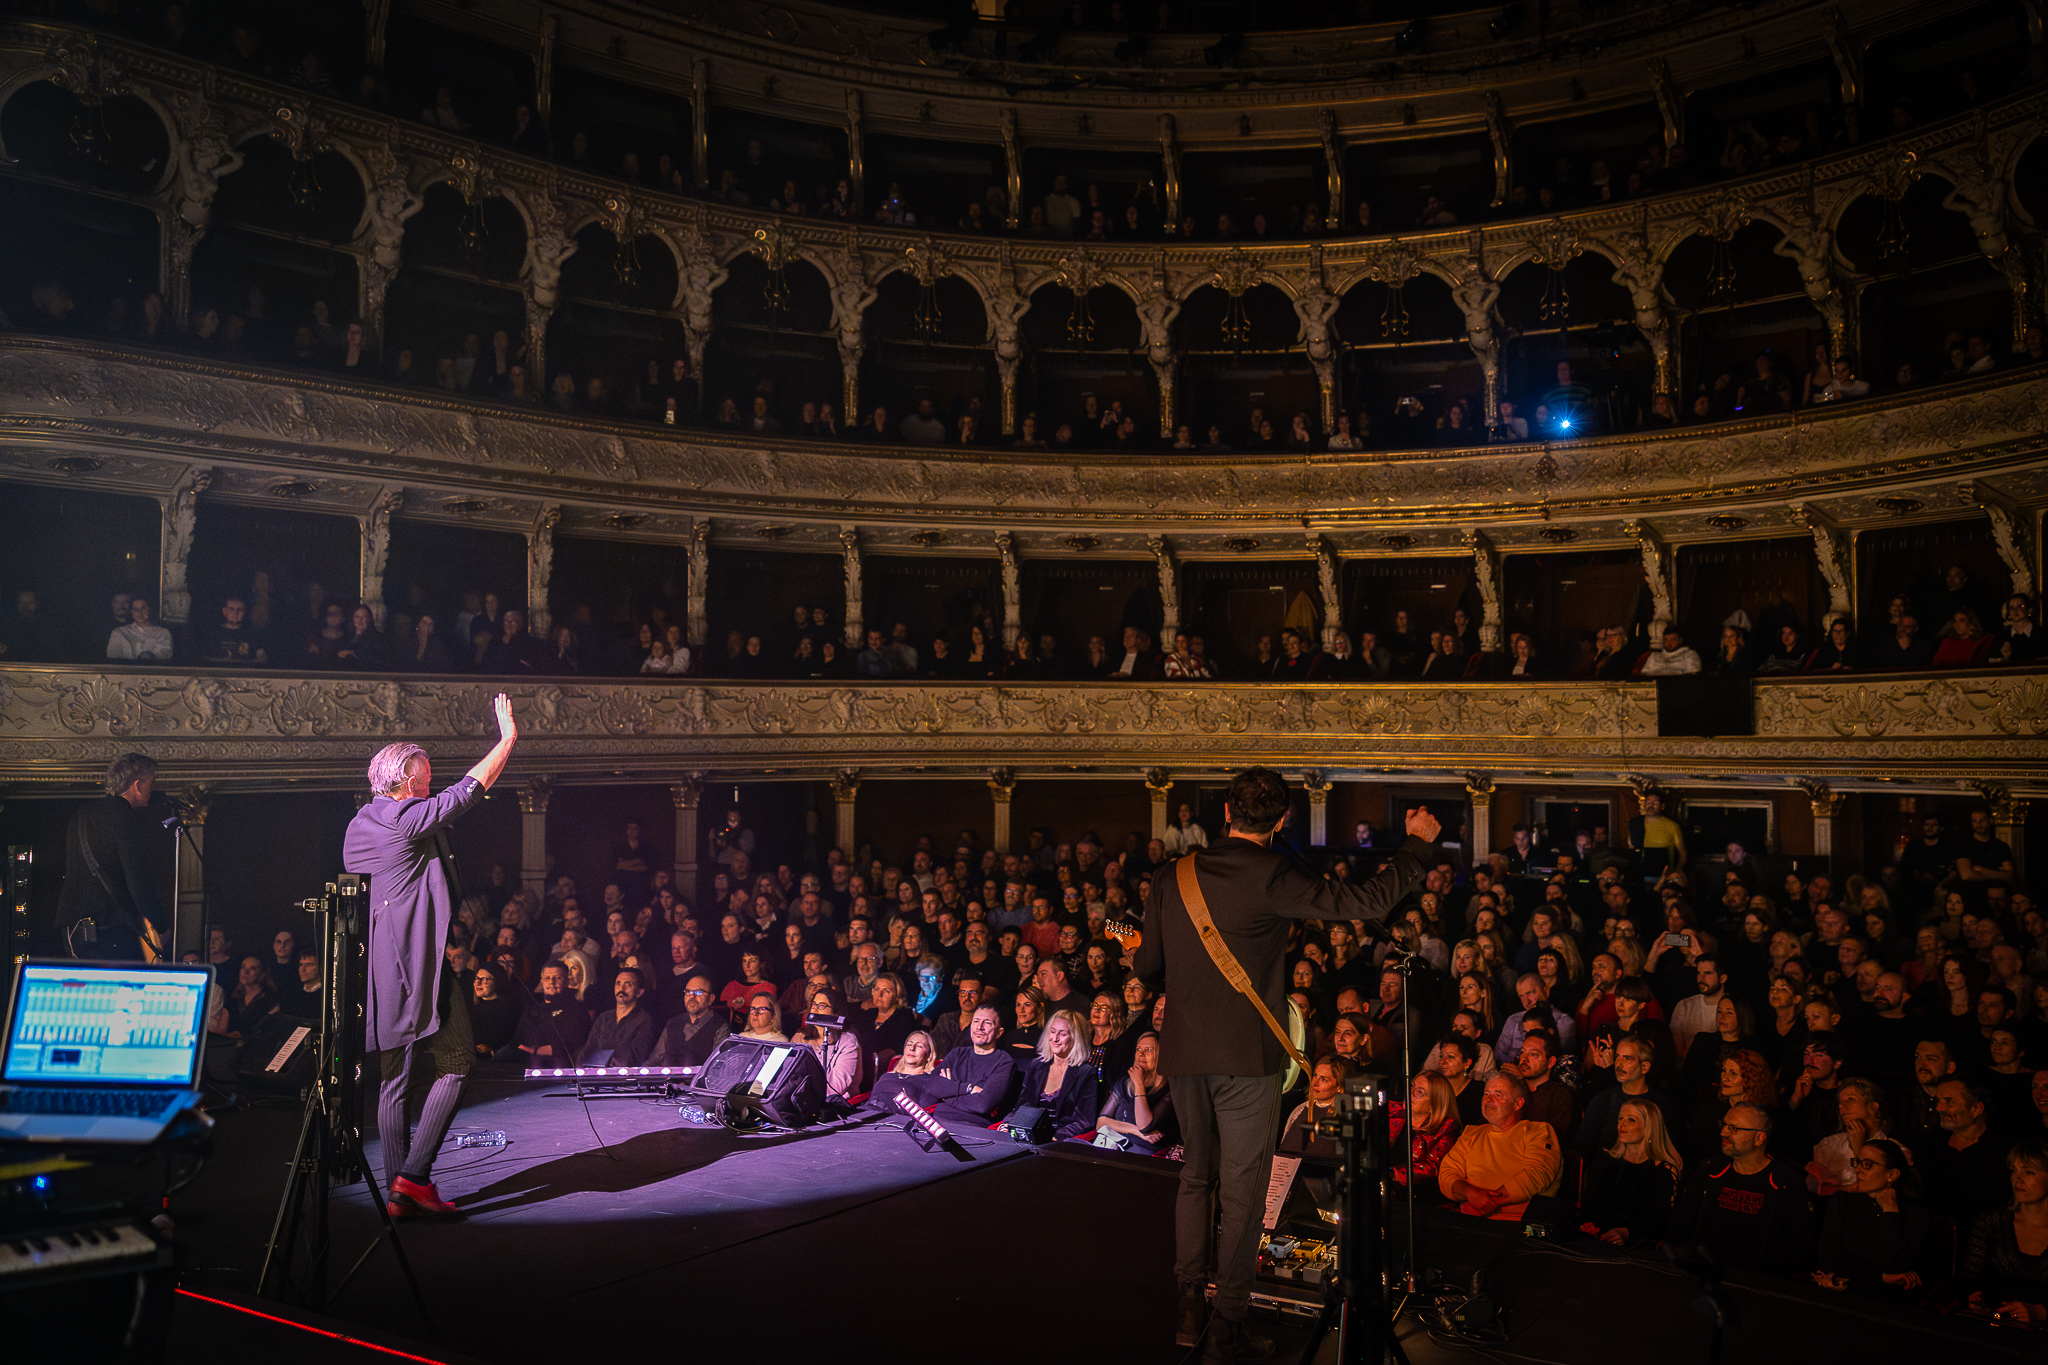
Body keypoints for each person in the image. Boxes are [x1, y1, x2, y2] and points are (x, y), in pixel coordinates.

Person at [1133, 766, 1442, 1362]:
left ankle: (1189, 1303)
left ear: (1225, 813)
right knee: (1245, 1191)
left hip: (1185, 1053)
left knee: (1197, 1176)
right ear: (1280, 821)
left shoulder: (1172, 875)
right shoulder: (1275, 874)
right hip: (1247, 1058)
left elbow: (1147, 967)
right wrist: (1418, 846)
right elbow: (1368, 899)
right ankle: (1228, 1324)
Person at [345, 694, 519, 1219]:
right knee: (460, 1060)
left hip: (379, 968)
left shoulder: (360, 824)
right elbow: (467, 792)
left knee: (394, 1078)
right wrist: (507, 740)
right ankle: (413, 1177)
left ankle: (399, 1191)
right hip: (417, 965)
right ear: (400, 784)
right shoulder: (405, 821)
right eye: (421, 780)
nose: (428, 786)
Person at [1668, 1104, 1812, 1276]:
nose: (1724, 1133)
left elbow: (1800, 1248)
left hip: (1756, 1278)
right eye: (1725, 1125)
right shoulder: (1710, 1170)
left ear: (1759, 1138)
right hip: (1704, 1268)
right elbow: (1681, 1223)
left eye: (1734, 1128)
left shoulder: (1785, 1182)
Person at [57, 752, 168, 962]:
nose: (152, 790)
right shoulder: (125, 817)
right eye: (151, 783)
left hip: (74, 929)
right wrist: (160, 925)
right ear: (138, 785)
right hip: (110, 927)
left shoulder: (81, 815)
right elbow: (138, 880)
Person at [1437, 1072, 1564, 1221]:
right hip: (1471, 1220)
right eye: (1486, 1094)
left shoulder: (1538, 1131)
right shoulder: (1471, 1133)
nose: (1488, 1099)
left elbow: (1536, 1175)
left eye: (1498, 1095)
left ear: (1517, 1104)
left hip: (1520, 1224)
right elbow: (1446, 1173)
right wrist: (1469, 1193)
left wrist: (1483, 1203)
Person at [1812, 1137, 1929, 1298]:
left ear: (1892, 1174)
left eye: (1867, 1164)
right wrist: (1881, 1277)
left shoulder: (1916, 1213)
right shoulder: (1842, 1201)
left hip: (1891, 1300)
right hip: (1847, 1293)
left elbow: (1896, 1266)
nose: (1857, 1170)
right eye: (1858, 1162)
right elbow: (1828, 1259)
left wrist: (1890, 1211)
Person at [1962, 1140, 2048, 1325]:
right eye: (2014, 1170)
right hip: (1995, 1325)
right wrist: (1977, 1301)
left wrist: (2041, 1312)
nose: (2018, 1179)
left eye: (2029, 1172)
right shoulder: (1991, 1223)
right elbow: (1969, 1282)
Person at [1579, 1096, 1683, 1246]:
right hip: (1599, 1240)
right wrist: (1590, 1225)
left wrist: (1628, 1233)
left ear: (1649, 1127)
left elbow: (1661, 1223)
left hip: (1638, 1247)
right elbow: (1591, 1204)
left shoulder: (1664, 1170)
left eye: (1631, 1119)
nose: (1621, 1124)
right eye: (1620, 1118)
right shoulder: (1607, 1160)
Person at [1006, 1009, 1099, 1142]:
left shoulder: (1086, 1073)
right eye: (1053, 1031)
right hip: (1030, 1135)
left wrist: (1056, 1137)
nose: (1055, 1038)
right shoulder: (1036, 1065)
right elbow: (1022, 1105)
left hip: (1059, 1140)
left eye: (1062, 1034)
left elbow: (1084, 1121)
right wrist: (1008, 1124)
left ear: (1076, 1038)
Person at [1094, 1031, 1177, 1154]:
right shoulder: (1124, 1083)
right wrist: (1136, 1131)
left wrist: (1139, 1084)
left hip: (1144, 1152)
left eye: (1148, 1050)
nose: (1141, 1054)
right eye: (1138, 1049)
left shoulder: (1168, 1089)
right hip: (1116, 1144)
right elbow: (1101, 1123)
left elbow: (1145, 1126)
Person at [653, 973, 729, 1066]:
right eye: (688, 992)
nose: (692, 997)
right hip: (670, 1079)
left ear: (711, 998)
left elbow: (718, 1064)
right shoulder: (673, 1023)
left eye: (698, 992)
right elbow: (655, 1058)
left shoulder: (719, 1025)